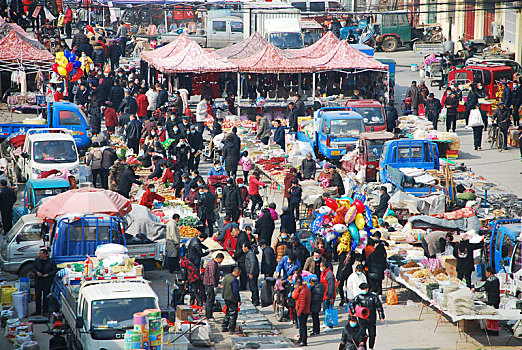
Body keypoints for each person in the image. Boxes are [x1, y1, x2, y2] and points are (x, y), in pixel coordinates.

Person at [349, 282, 385, 350]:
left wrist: (381, 316)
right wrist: (354, 312)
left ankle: (371, 347)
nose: (362, 290)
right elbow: (352, 304)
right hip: (362, 319)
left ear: (367, 289)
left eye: (363, 289)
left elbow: (379, 306)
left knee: (372, 335)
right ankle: (363, 348)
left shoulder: (373, 297)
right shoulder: (359, 297)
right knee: (362, 335)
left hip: (371, 319)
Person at [472, 266, 500, 336]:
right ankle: (493, 330)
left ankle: (492, 330)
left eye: (486, 272)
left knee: (492, 315)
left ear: (489, 273)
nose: (486, 274)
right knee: (493, 315)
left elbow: (484, 288)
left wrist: (475, 289)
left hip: (492, 299)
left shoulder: (490, 280)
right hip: (496, 298)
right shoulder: (496, 279)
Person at [32, 248, 57, 316]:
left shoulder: (51, 261)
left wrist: (48, 274)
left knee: (46, 296)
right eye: (39, 253)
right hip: (38, 281)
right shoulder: (37, 260)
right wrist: (37, 272)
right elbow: (33, 268)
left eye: (41, 253)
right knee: (38, 296)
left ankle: (45, 311)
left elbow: (54, 270)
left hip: (47, 281)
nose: (40, 255)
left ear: (45, 255)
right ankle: (38, 310)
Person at [203, 253, 224, 322]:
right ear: (218, 258)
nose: (221, 262)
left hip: (210, 284)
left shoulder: (213, 263)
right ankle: (209, 316)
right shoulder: (213, 264)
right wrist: (215, 286)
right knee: (210, 300)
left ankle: (208, 314)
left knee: (210, 300)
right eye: (221, 260)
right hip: (210, 285)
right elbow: (212, 276)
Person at [222, 267, 242, 333]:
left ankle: (224, 326)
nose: (239, 275)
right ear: (237, 272)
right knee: (233, 314)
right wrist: (238, 300)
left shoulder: (227, 276)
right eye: (239, 273)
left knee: (227, 312)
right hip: (232, 299)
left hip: (226, 297)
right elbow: (235, 291)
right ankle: (231, 329)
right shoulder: (234, 280)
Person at [294, 275, 311, 346]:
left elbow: (302, 304)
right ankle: (301, 339)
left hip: (303, 311)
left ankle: (304, 341)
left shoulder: (303, 291)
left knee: (303, 326)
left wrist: (299, 312)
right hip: (303, 310)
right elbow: (294, 296)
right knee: (302, 326)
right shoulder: (304, 289)